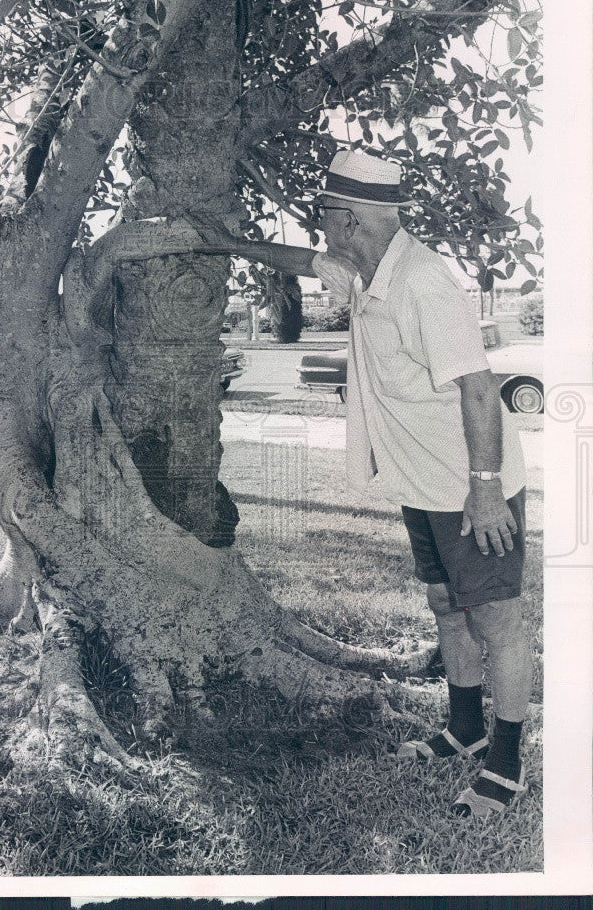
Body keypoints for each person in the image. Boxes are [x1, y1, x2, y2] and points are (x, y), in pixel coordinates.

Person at [188, 150, 532, 817]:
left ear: (348, 219)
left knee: (496, 618)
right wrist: (234, 244)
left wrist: (486, 488)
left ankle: (507, 762)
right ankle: (464, 729)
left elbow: (481, 391)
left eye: (326, 217)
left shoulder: (425, 283)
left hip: (471, 485)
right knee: (446, 605)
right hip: (420, 482)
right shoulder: (363, 270)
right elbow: (302, 262)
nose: (321, 228)